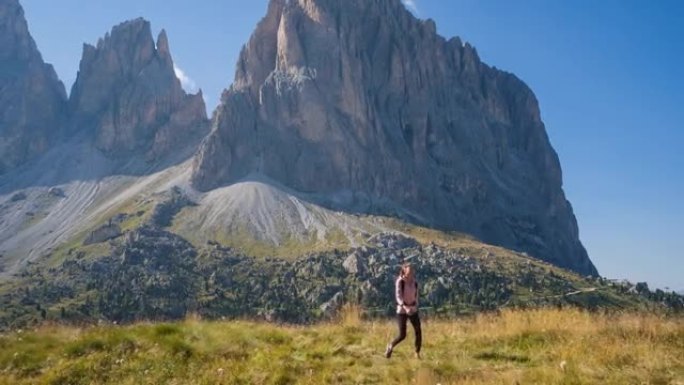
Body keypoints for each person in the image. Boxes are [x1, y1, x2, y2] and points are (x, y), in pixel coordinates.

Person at [385, 263, 422, 359]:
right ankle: (390, 346)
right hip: (402, 310)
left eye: (412, 271)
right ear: (404, 271)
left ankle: (417, 353)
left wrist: (415, 304)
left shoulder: (415, 282)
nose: (411, 273)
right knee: (402, 335)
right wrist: (405, 307)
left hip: (412, 309)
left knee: (418, 330)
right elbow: (398, 297)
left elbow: (416, 294)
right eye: (409, 271)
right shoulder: (400, 281)